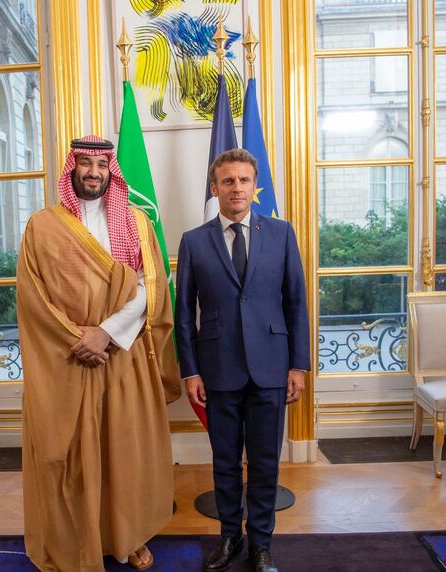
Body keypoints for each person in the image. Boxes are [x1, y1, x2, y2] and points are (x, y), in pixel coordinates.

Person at [17, 135, 181, 571]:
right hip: (67, 358)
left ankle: (129, 538)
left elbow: (153, 287)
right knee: (70, 458)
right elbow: (33, 298)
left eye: (102, 165)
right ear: (72, 169)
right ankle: (74, 541)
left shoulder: (137, 222)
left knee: (127, 453)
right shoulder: (42, 225)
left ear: (112, 170)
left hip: (122, 356)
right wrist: (79, 338)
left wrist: (105, 333)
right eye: (85, 163)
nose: (93, 172)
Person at [175, 149, 310, 572]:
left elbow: (296, 305)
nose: (236, 188)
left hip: (272, 366)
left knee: (267, 461)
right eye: (228, 181)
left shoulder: (283, 234)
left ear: (255, 187)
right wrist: (190, 370)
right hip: (218, 370)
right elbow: (183, 314)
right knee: (225, 462)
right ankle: (230, 538)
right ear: (215, 189)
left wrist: (298, 365)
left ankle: (262, 545)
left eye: (244, 180)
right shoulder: (194, 241)